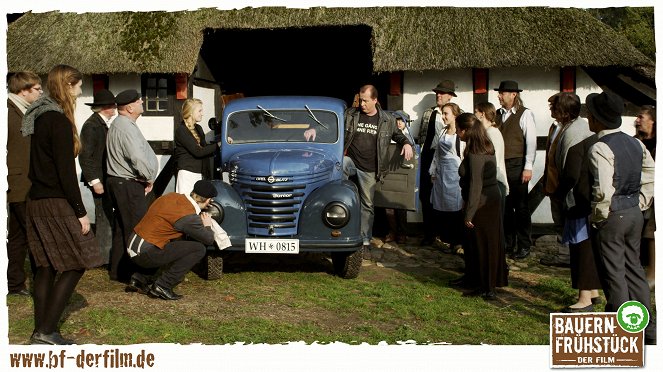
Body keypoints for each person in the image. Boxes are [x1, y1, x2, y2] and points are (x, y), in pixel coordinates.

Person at [21, 65, 103, 344]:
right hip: (54, 201)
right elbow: (66, 174)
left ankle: (40, 331)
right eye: (79, 85)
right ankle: (46, 330)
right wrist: (80, 213)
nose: (81, 90)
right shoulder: (55, 120)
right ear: (68, 85)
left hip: (36, 200)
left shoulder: (41, 117)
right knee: (76, 261)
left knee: (45, 266)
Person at [586, 91, 656, 345]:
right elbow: (651, 171)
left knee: (614, 273)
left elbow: (603, 189)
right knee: (634, 270)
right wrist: (640, 201)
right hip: (635, 214)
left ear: (596, 119)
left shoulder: (600, 147)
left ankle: (623, 331)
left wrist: (599, 216)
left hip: (613, 215)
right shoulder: (635, 143)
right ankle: (647, 329)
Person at [343, 85, 413, 250]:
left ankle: (365, 240)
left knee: (367, 205)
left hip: (370, 168)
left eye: (366, 101)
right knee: (341, 165)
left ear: (375, 100)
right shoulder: (350, 115)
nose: (362, 104)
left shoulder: (387, 120)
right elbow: (333, 126)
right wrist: (313, 130)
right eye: (361, 100)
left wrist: (407, 143)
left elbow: (398, 135)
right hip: (352, 162)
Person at [126, 180, 217, 300]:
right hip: (144, 253)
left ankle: (140, 279)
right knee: (198, 249)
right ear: (207, 200)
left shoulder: (172, 196)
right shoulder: (188, 217)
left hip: (133, 245)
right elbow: (209, 239)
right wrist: (207, 224)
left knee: (171, 241)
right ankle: (163, 285)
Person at [106, 89, 159, 283]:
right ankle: (136, 273)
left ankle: (119, 272)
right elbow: (136, 156)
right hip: (127, 184)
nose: (142, 102)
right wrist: (148, 177)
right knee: (136, 229)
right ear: (129, 107)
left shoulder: (122, 124)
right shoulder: (125, 127)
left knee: (123, 228)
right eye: (138, 101)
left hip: (122, 183)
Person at [457, 113, 508, 300]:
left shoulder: (476, 152)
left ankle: (488, 287)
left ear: (465, 130)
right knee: (475, 244)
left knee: (486, 244)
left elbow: (476, 185)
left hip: (484, 204)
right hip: (480, 201)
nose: (457, 133)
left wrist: (469, 213)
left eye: (458, 129)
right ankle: (476, 280)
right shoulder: (476, 148)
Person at [540, 93, 592, 269]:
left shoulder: (575, 130)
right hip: (554, 184)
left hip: (568, 188)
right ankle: (564, 253)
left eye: (553, 107)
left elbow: (571, 166)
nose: (551, 110)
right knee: (559, 222)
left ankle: (569, 256)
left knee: (569, 222)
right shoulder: (556, 127)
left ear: (563, 111)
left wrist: (561, 191)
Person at [556, 133, 601, 312]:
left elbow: (571, 177)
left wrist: (558, 195)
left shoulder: (578, 146)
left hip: (582, 205)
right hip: (603, 207)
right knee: (591, 249)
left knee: (582, 250)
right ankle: (593, 291)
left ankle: (585, 298)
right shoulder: (605, 142)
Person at [7, 71, 42, 297]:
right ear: (24, 90)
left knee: (19, 236)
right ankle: (40, 281)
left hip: (24, 182)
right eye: (37, 89)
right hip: (18, 182)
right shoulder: (8, 112)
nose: (41, 92)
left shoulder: (25, 111)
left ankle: (14, 283)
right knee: (31, 234)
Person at [494, 80, 537, 260]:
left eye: (502, 93)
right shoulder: (497, 114)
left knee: (520, 207)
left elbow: (531, 142)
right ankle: (508, 242)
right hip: (501, 166)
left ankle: (524, 245)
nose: (499, 96)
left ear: (513, 95)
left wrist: (528, 167)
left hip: (517, 165)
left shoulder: (525, 114)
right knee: (505, 207)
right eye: (500, 93)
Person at [415, 80, 456, 246]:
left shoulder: (456, 114)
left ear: (450, 96)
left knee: (445, 196)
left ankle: (445, 234)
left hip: (446, 161)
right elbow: (422, 135)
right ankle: (429, 234)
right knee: (426, 196)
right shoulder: (428, 113)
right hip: (428, 157)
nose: (438, 95)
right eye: (437, 93)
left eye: (442, 93)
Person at [79, 89, 116, 266]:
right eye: (112, 105)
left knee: (106, 215)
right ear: (105, 108)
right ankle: (101, 258)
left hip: (104, 178)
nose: (115, 108)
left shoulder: (101, 124)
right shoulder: (91, 126)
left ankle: (104, 256)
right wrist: (95, 181)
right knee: (103, 216)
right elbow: (85, 156)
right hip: (98, 180)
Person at [429, 102, 465, 253]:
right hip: (442, 172)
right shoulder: (443, 132)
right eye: (442, 113)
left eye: (446, 114)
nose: (443, 116)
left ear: (455, 115)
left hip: (455, 174)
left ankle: (457, 241)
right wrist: (433, 170)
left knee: (456, 207)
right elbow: (437, 153)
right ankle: (447, 239)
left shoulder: (461, 134)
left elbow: (463, 155)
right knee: (443, 207)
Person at [174, 98, 221, 195]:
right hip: (187, 174)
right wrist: (217, 145)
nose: (202, 113)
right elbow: (198, 152)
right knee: (186, 206)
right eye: (200, 110)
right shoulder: (182, 130)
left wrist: (221, 141)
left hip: (198, 174)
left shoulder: (198, 128)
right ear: (191, 113)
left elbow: (204, 149)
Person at [383, 110, 415, 245]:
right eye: (397, 121)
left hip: (402, 173)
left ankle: (402, 233)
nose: (399, 123)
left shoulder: (410, 138)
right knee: (388, 205)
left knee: (401, 206)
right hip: (390, 172)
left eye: (402, 121)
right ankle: (392, 231)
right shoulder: (387, 136)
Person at [634, 105, 656, 290]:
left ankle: (653, 274)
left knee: (652, 233)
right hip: (637, 195)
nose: (637, 120)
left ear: (653, 121)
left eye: (641, 117)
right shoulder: (635, 142)